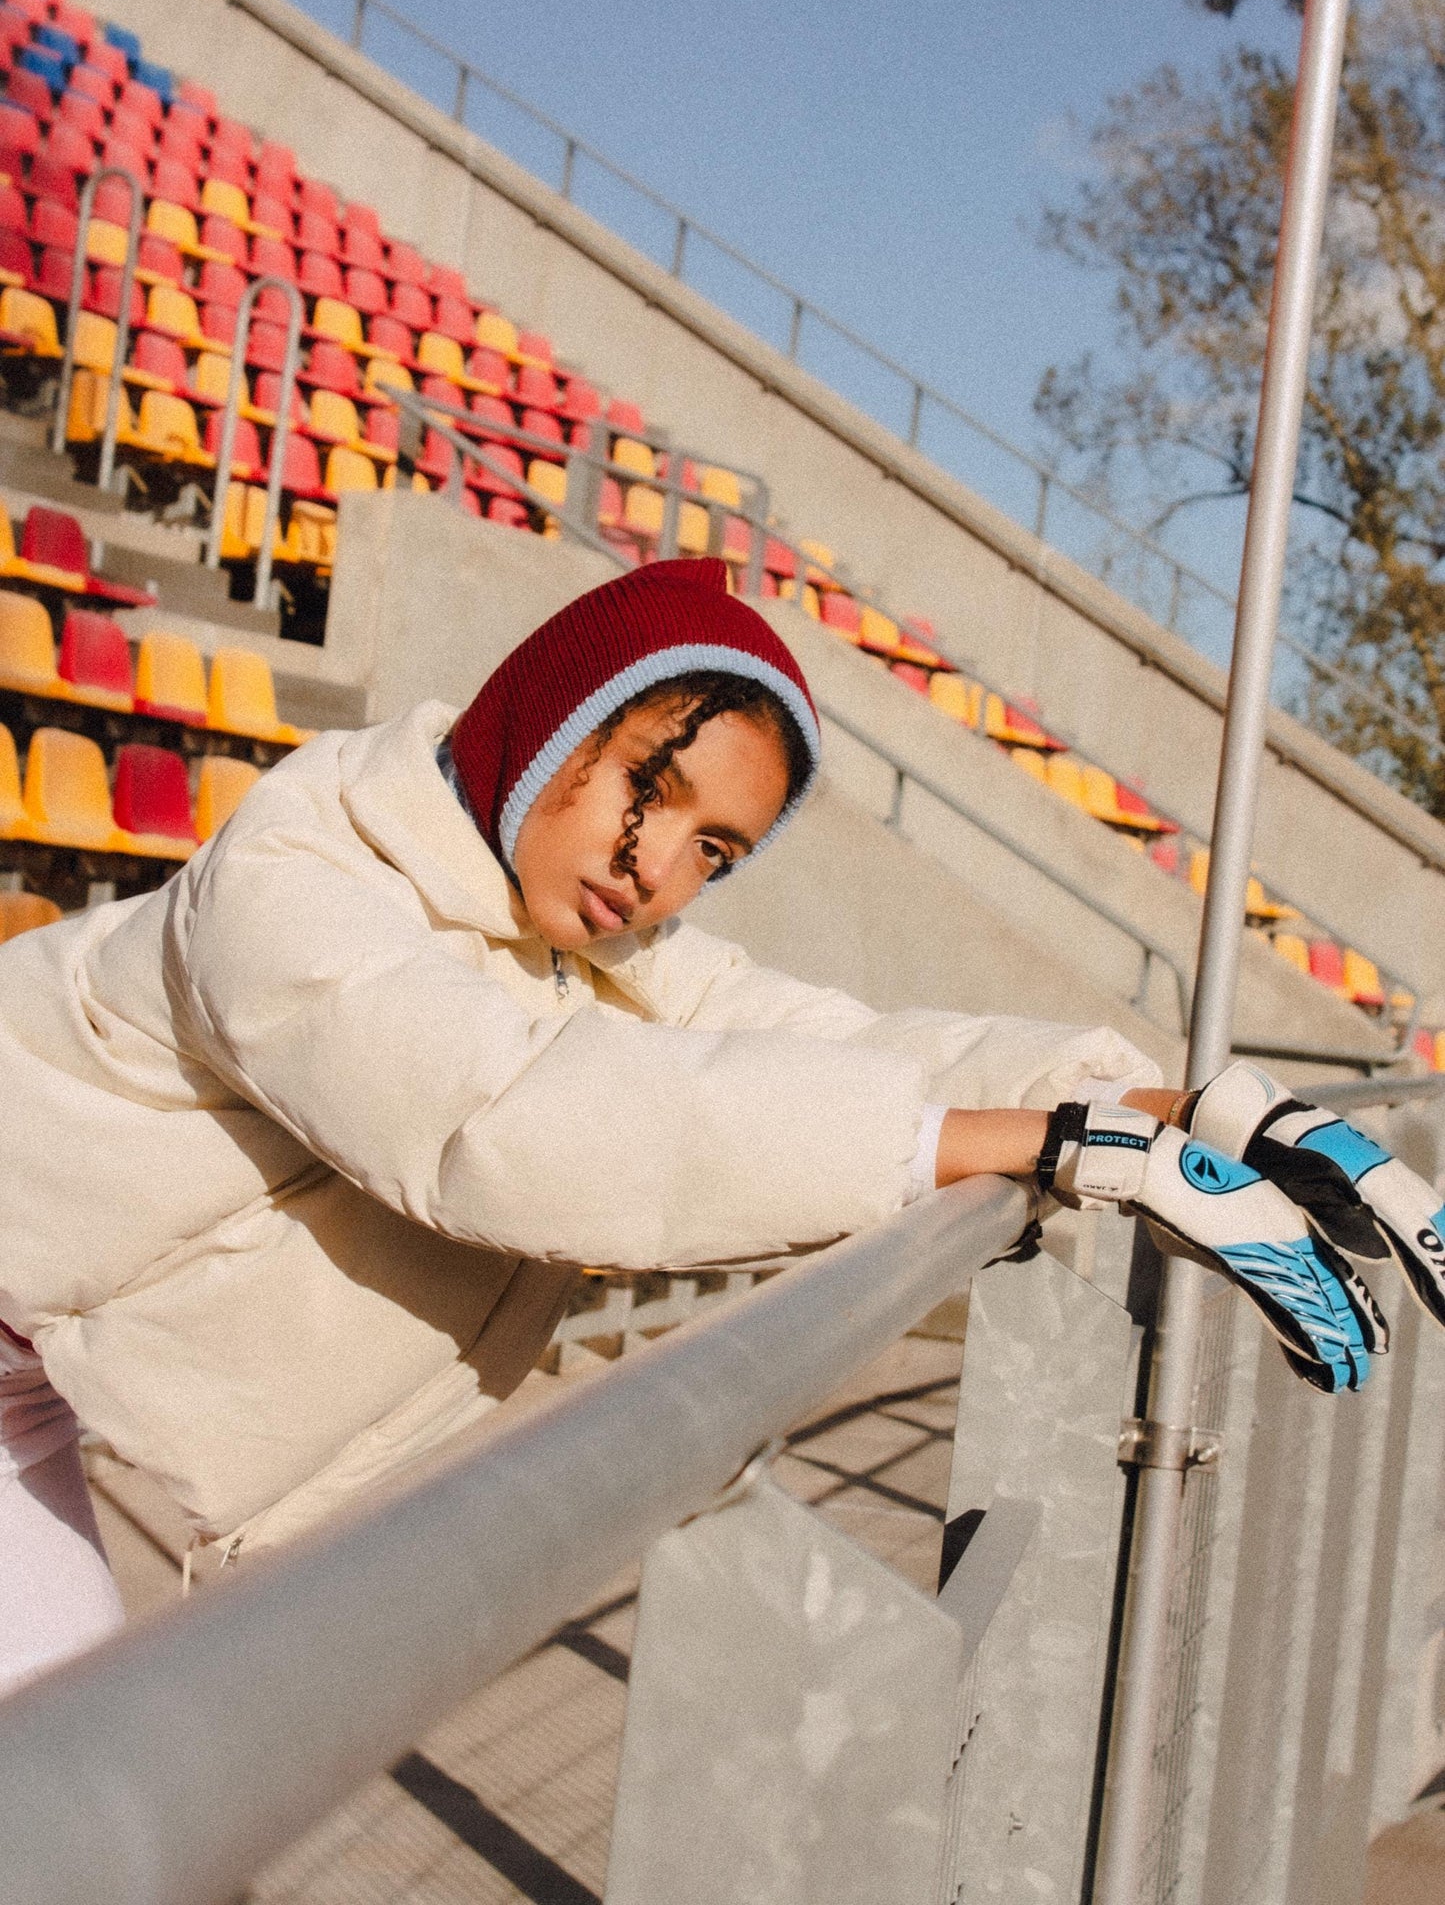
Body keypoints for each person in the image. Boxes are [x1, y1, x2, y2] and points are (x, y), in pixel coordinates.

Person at [0, 558, 1439, 1700]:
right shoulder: (296, 878)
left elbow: (832, 1046)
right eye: (647, 785)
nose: (653, 868)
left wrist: (1161, 1108)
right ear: (548, 720)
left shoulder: (571, 938)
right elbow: (502, 1122)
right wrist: (1024, 1147)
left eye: (713, 851)